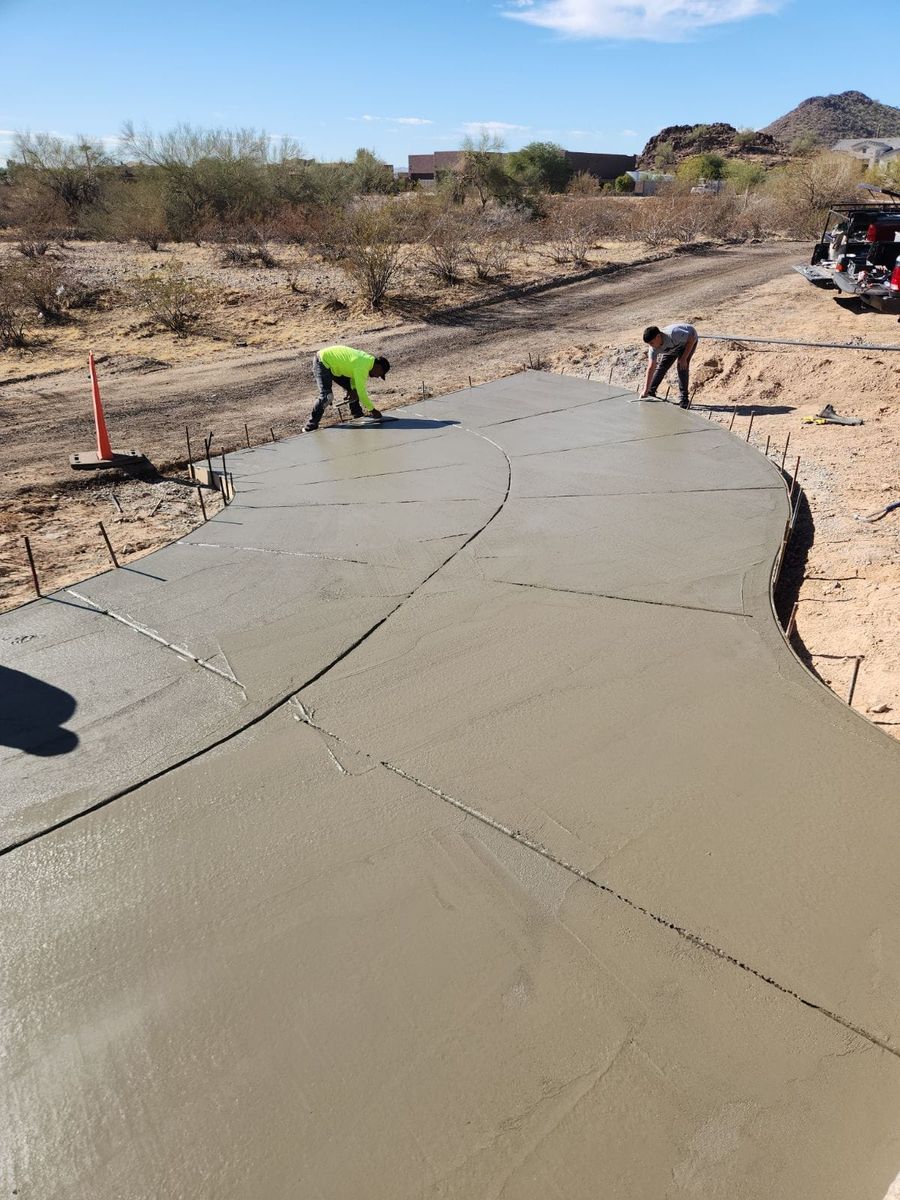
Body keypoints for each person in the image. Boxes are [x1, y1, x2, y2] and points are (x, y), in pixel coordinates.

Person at [303, 345, 391, 432]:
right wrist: (372, 410)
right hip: (322, 362)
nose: (377, 376)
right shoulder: (363, 366)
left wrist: (352, 389)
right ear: (378, 367)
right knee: (327, 396)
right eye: (380, 374)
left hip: (335, 365)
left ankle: (357, 415)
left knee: (354, 390)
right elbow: (362, 393)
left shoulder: (367, 361)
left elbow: (353, 376)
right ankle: (311, 425)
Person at [640, 323, 698, 408]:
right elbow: (651, 367)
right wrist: (645, 389)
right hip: (673, 347)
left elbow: (691, 339)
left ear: (658, 337)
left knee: (682, 366)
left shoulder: (673, 334)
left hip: (688, 342)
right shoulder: (653, 349)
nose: (650, 345)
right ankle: (651, 391)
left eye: (651, 342)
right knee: (662, 366)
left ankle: (684, 399)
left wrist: (684, 358)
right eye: (649, 344)